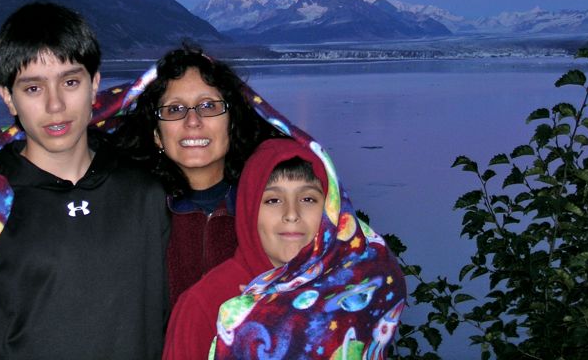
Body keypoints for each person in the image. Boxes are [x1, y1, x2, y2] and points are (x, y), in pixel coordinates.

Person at [0, 1, 169, 360]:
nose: (55, 104)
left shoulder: (145, 193)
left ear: (95, 85)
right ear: (7, 97)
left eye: (70, 81)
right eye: (32, 89)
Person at [163, 138, 407, 360]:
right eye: (273, 200)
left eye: (308, 199)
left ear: (330, 211)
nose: (291, 214)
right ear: (249, 211)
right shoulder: (204, 304)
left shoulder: (348, 290)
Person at [115, 44, 283, 307]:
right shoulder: (131, 212)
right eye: (174, 109)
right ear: (157, 135)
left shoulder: (270, 208)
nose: (193, 121)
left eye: (208, 105)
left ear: (232, 122)